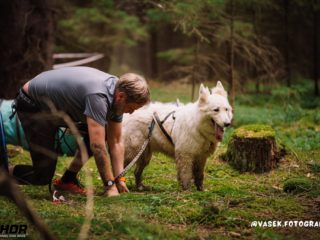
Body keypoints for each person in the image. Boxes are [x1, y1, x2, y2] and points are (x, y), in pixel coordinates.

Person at [8, 66, 150, 197]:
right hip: (32, 103)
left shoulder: (117, 97)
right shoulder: (99, 96)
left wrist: (120, 179)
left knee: (103, 133)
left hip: (56, 106)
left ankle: (67, 181)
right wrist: (109, 186)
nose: (131, 113)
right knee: (42, 176)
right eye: (131, 108)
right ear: (121, 97)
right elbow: (98, 146)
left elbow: (116, 141)